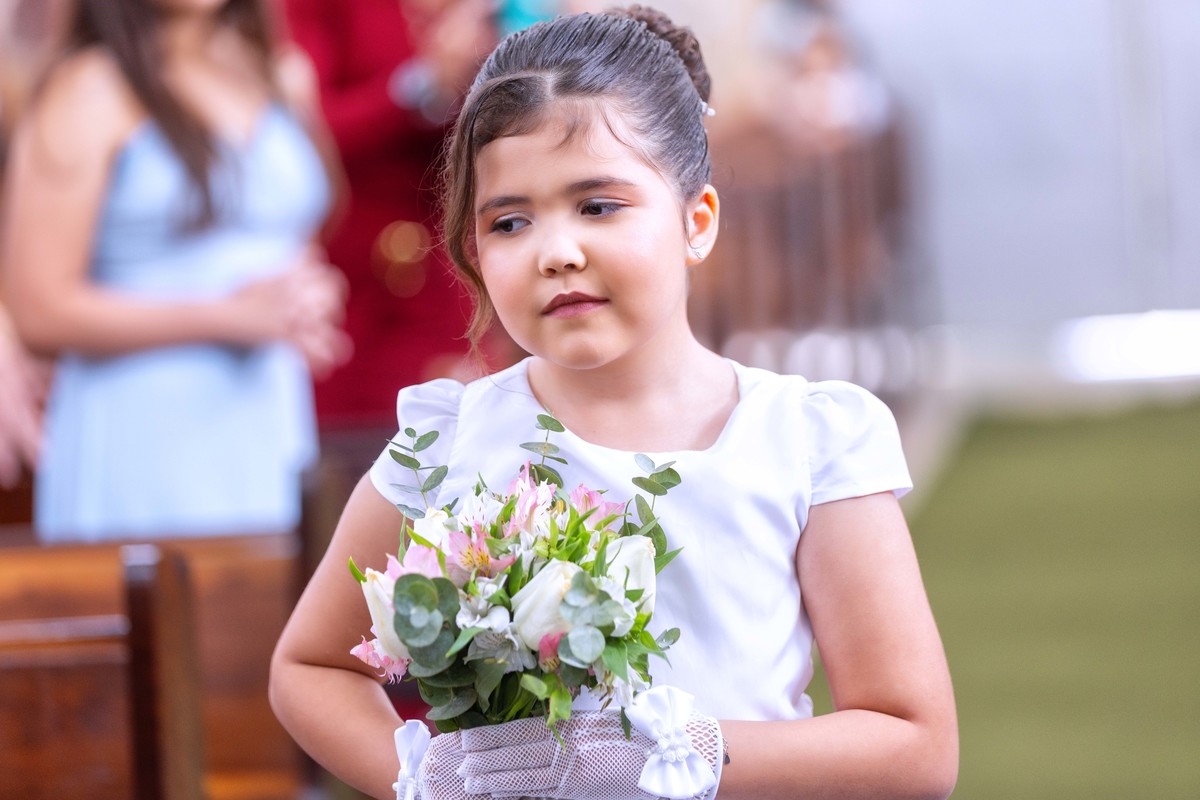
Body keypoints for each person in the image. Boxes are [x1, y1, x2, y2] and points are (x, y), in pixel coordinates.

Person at [269, 7, 958, 800]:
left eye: (598, 206)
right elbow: (309, 667)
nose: (557, 251)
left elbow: (916, 747)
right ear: (474, 251)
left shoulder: (807, 438)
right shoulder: (448, 443)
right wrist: (429, 776)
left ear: (696, 221)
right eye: (510, 222)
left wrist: (678, 750)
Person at [0, 0, 350, 541]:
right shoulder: (90, 87)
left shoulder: (269, 69)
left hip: (266, 415)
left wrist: (306, 295)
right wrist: (226, 316)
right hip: (141, 430)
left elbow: (292, 233)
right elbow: (38, 308)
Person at [283, 0, 502, 430]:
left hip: (452, 272)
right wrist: (422, 83)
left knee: (459, 439)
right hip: (357, 281)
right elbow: (308, 131)